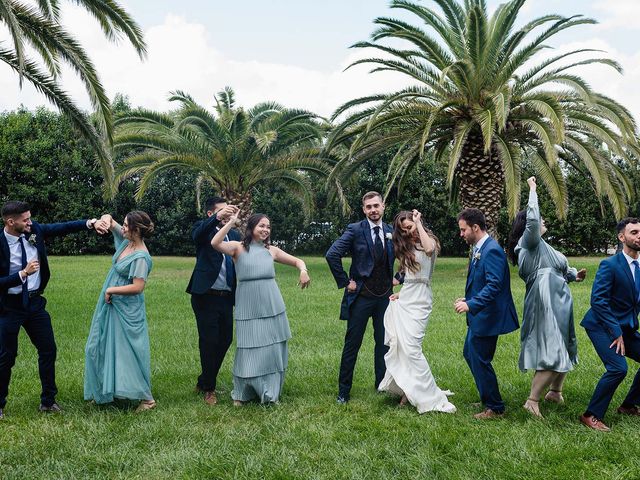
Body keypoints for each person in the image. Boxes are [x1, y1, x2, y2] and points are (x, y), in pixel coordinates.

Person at [0, 201, 107, 419]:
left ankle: (48, 401)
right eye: (25, 219)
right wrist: (22, 274)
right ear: (11, 222)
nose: (30, 222)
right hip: (8, 307)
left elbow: (61, 227)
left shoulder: (34, 230)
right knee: (6, 357)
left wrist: (90, 223)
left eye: (30, 218)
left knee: (48, 350)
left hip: (35, 303)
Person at [507, 177, 586, 418]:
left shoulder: (543, 246)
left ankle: (555, 391)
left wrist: (574, 275)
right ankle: (532, 401)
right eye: (541, 218)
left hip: (560, 299)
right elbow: (532, 220)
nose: (543, 220)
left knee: (565, 344)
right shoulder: (527, 243)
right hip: (544, 300)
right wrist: (532, 190)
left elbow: (558, 269)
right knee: (553, 349)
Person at [211, 213, 310, 405]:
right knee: (247, 347)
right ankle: (242, 392)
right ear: (251, 228)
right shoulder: (237, 248)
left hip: (271, 302)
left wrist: (303, 270)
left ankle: (269, 392)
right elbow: (215, 243)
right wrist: (230, 223)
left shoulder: (271, 250)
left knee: (271, 346)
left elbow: (298, 261)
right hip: (248, 302)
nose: (265, 230)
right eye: (261, 226)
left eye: (268, 227)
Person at [326, 191, 400, 404]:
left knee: (383, 344)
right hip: (361, 298)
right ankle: (343, 392)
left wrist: (399, 276)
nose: (373, 210)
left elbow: (407, 255)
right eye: (369, 207)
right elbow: (332, 254)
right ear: (364, 210)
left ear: (383, 206)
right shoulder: (355, 230)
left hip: (385, 298)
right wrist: (345, 282)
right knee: (352, 344)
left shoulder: (390, 231)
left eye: (376, 205)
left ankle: (381, 385)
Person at [378, 210, 456, 413]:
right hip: (407, 298)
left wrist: (418, 223)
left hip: (421, 300)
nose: (407, 232)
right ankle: (407, 389)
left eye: (409, 227)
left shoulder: (427, 240)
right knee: (402, 346)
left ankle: (430, 394)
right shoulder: (406, 247)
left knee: (413, 347)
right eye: (403, 230)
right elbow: (409, 277)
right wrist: (400, 294)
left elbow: (429, 250)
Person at [84, 211, 156, 412]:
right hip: (111, 305)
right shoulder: (126, 242)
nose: (122, 227)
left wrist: (111, 290)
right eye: (123, 224)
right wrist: (104, 221)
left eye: (126, 226)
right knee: (99, 345)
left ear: (135, 230)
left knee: (129, 352)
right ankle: (103, 391)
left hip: (127, 309)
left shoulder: (141, 256)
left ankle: (147, 399)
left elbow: (138, 287)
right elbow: (109, 219)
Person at [454, 208, 519, 419]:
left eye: (463, 230)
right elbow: (482, 281)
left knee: (480, 358)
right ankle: (487, 396)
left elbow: (494, 286)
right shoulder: (479, 248)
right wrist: (468, 298)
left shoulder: (491, 250)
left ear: (475, 227)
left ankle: (495, 407)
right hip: (480, 314)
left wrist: (472, 305)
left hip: (488, 315)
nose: (461, 234)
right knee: (470, 353)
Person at [579, 217, 640, 432]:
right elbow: (598, 301)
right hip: (601, 325)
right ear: (622, 237)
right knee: (617, 368)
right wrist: (615, 331)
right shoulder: (610, 265)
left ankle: (629, 405)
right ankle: (590, 415)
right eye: (633, 232)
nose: (638, 236)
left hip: (626, 327)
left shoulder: (639, 266)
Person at [186, 197, 240, 405]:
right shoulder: (204, 229)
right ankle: (209, 388)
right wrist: (220, 218)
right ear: (211, 214)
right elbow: (197, 236)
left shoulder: (234, 235)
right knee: (209, 342)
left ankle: (204, 379)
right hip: (205, 296)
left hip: (226, 297)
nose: (227, 212)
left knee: (225, 339)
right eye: (222, 210)